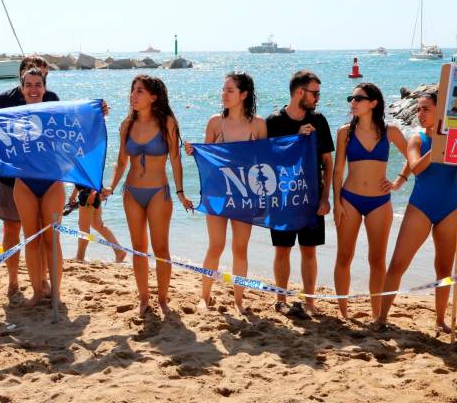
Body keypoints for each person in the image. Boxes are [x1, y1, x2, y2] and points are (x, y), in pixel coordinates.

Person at [373, 92, 457, 332]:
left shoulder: (456, 139)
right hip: (421, 207)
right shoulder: (417, 138)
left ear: (441, 111)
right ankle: (381, 318)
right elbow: (416, 168)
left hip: (450, 207)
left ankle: (440, 320)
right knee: (398, 264)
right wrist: (438, 145)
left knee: (444, 269)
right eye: (418, 109)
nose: (420, 113)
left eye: (425, 108)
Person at [102, 75, 193, 315]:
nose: (134, 95)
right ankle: (144, 298)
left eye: (140, 91)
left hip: (158, 193)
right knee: (138, 247)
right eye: (132, 91)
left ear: (153, 97)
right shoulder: (126, 125)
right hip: (131, 192)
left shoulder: (167, 123)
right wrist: (110, 187)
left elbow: (175, 159)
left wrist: (181, 193)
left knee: (161, 248)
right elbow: (121, 162)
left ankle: (162, 299)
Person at [184, 72, 267, 313]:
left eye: (230, 90)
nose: (224, 94)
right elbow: (207, 158)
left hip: (245, 194)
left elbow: (265, 161)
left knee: (240, 249)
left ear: (243, 95)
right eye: (223, 90)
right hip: (218, 193)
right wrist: (194, 152)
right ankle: (205, 297)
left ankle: (239, 301)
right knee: (216, 246)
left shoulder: (258, 125)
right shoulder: (215, 123)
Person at [332, 83, 410, 319]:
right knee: (344, 256)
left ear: (373, 103)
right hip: (350, 200)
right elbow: (337, 171)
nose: (352, 103)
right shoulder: (345, 132)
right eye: (351, 99)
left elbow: (412, 157)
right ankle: (343, 313)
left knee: (377, 260)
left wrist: (399, 180)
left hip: (379, 202)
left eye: (358, 99)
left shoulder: (391, 131)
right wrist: (336, 203)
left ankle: (377, 315)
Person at [265, 70, 334, 317]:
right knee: (282, 250)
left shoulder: (320, 120)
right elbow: (266, 160)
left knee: (309, 250)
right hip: (283, 197)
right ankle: (281, 299)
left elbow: (328, 162)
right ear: (299, 92)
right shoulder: (273, 121)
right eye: (314, 93)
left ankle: (310, 301)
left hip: (311, 197)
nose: (318, 98)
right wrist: (296, 138)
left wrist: (326, 198)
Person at [0, 55, 59, 296]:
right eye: (29, 80)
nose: (35, 85)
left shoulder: (51, 99)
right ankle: (12, 279)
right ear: (21, 79)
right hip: (11, 179)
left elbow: (66, 132)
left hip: (42, 178)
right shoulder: (3, 100)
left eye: (41, 76)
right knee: (11, 229)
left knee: (41, 231)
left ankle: (41, 282)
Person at [11, 68, 66, 307]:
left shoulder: (56, 114)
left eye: (38, 84)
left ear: (45, 88)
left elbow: (80, 130)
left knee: (52, 241)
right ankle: (36, 291)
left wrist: (99, 112)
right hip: (24, 182)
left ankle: (55, 293)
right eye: (29, 85)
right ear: (22, 89)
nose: (33, 89)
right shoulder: (11, 116)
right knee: (31, 240)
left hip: (52, 182)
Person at [67, 185, 127, 263]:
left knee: (84, 228)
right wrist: (99, 192)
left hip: (88, 193)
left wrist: (73, 195)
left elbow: (82, 179)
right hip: (94, 191)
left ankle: (80, 256)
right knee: (97, 224)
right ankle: (119, 251)